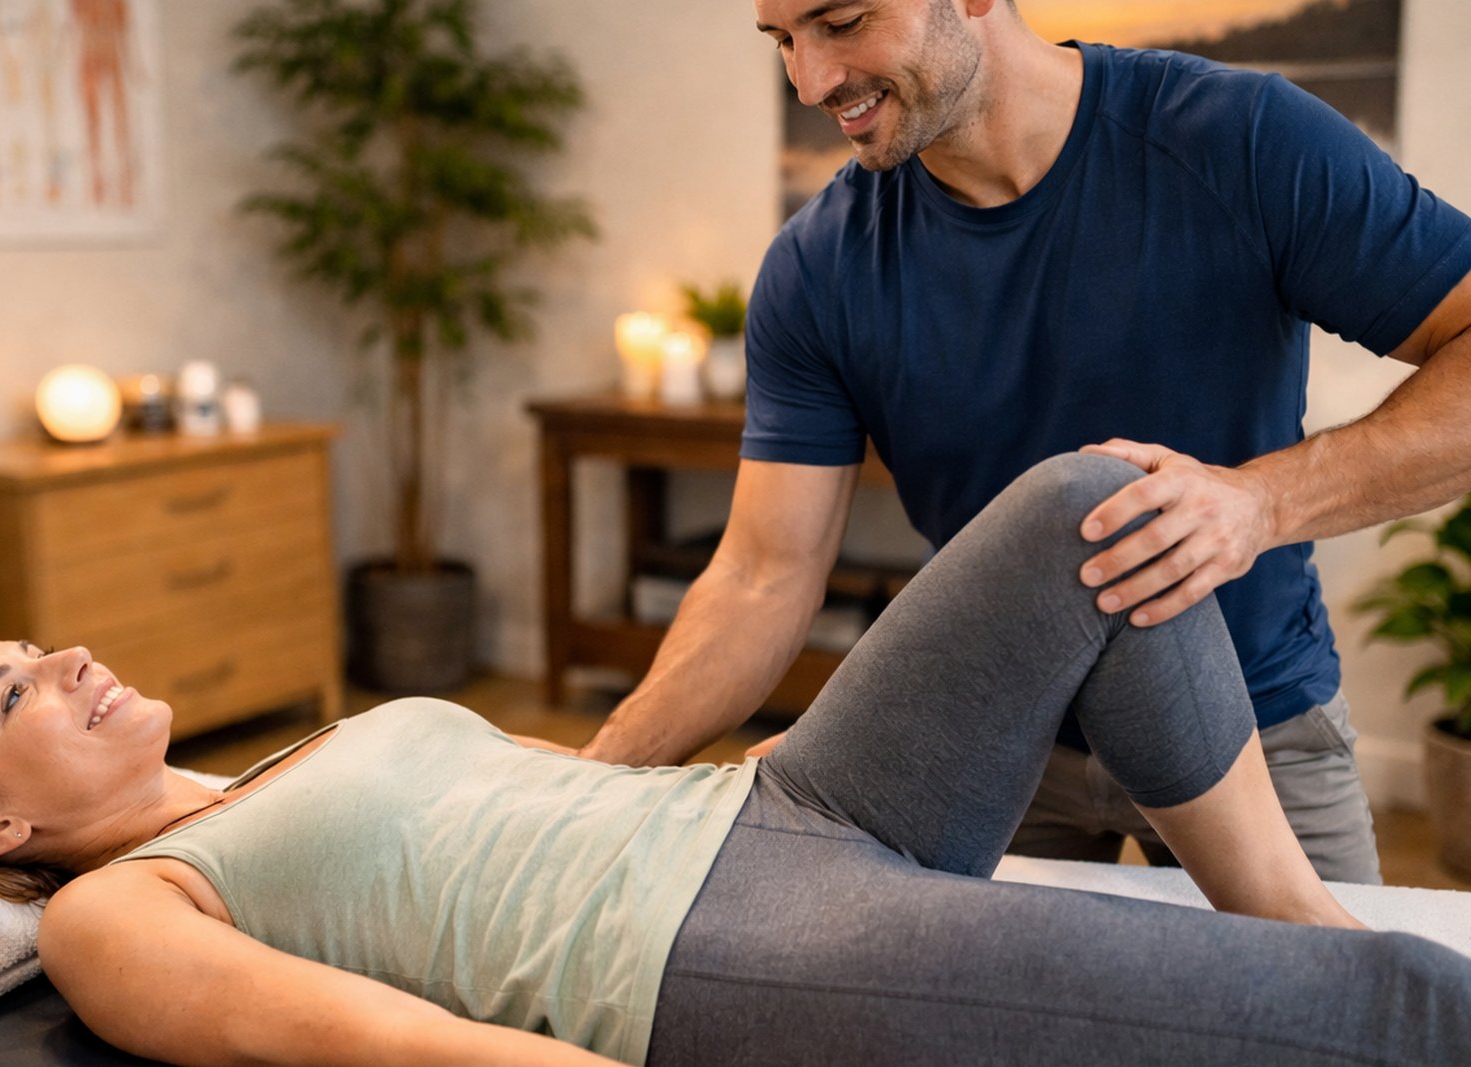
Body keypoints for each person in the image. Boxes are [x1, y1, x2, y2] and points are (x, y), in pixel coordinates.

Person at [0, 454, 1471, 1066]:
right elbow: (399, 1047)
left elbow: (552, 797)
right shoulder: (117, 909)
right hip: (716, 946)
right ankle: (1337, 972)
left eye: (37, 642)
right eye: (14, 686)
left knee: (1099, 505)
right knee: (1390, 1011)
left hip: (768, 806)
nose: (68, 655)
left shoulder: (292, 756)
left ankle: (1286, 912)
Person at [577, 0, 1471, 886]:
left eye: (842, 24)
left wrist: (1262, 501)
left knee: (1325, 1016)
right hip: (998, 747)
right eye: (783, 41)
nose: (810, 80)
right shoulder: (817, 268)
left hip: (1258, 726)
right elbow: (760, 575)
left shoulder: (1239, 139)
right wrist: (590, 782)